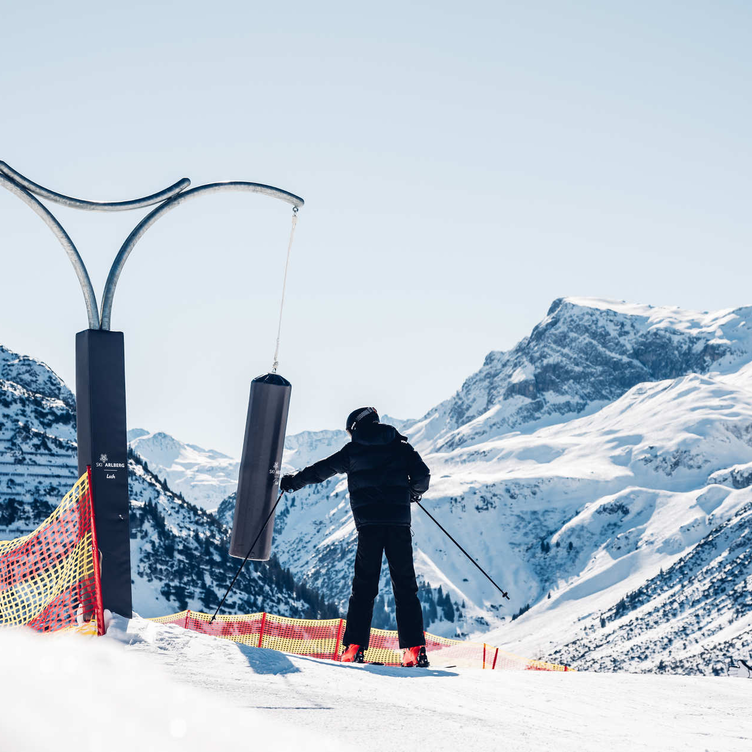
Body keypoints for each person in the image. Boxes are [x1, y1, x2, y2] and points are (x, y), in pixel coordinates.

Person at [280, 407, 431, 667]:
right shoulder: (401, 446)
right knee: (405, 587)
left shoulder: (352, 451)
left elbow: (320, 471)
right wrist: (412, 492)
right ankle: (414, 650)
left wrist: (293, 482)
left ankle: (354, 648)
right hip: (398, 525)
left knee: (363, 588)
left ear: (355, 428)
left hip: (369, 527)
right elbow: (423, 476)